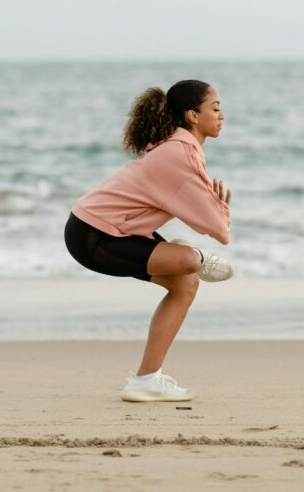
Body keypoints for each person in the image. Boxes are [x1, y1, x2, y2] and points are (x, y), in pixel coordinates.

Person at [64, 80, 233, 402]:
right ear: (193, 116)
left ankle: (146, 380)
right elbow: (219, 230)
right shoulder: (179, 154)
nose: (222, 115)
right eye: (215, 108)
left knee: (185, 285)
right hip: (94, 234)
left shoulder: (180, 148)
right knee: (188, 264)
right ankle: (191, 255)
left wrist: (215, 209)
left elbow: (206, 217)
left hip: (114, 229)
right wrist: (220, 209)